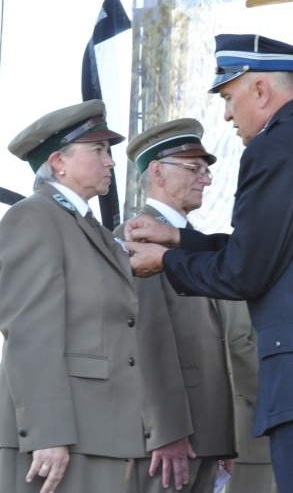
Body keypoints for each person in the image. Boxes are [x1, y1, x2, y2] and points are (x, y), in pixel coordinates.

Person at [123, 33, 293, 493]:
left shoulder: (275, 148)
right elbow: (281, 247)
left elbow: (245, 271)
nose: (228, 114)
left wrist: (165, 262)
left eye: (230, 98)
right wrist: (180, 238)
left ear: (259, 90)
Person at [0, 100, 149, 493]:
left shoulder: (87, 228)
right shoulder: (35, 217)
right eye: (98, 151)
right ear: (58, 161)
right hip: (56, 436)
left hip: (96, 431)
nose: (110, 162)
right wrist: (47, 433)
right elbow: (30, 332)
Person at [113, 118, 237, 493]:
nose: (206, 178)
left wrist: (222, 436)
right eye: (194, 168)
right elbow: (143, 338)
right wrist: (165, 431)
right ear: (157, 172)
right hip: (170, 440)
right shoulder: (135, 237)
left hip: (203, 434)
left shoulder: (189, 241)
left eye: (206, 169)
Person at [219, 300, 278, 493]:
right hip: (255, 427)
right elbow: (236, 341)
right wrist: (274, 399)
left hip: (287, 426)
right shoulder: (249, 274)